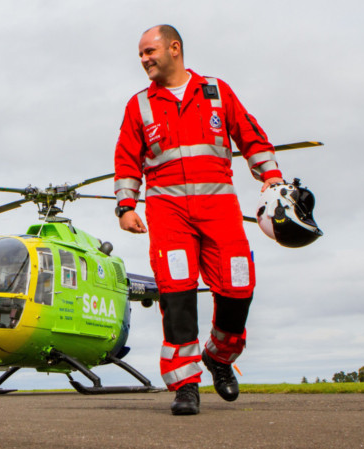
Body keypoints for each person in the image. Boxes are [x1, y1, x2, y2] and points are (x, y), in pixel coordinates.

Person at [113, 25, 283, 415]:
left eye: (149, 51)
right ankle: (185, 384)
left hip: (219, 210)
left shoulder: (216, 92)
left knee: (238, 286)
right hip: (168, 214)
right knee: (176, 295)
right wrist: (126, 207)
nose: (144, 60)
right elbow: (126, 159)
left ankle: (219, 356)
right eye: (140, 55)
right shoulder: (138, 106)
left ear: (175, 48)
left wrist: (270, 175)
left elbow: (251, 136)